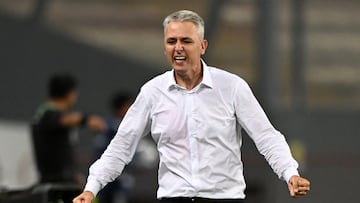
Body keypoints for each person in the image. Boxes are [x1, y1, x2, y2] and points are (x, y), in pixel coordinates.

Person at [73, 10, 310, 203]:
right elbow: (121, 146)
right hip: (174, 197)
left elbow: (266, 137)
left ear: (203, 46)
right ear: (164, 47)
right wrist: (91, 188)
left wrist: (290, 172)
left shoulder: (231, 87)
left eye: (186, 41)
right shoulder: (152, 92)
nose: (178, 48)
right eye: (171, 41)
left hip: (224, 198)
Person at [31, 73, 106, 187]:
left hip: (66, 180)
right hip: (56, 183)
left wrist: (74, 174)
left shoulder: (47, 114)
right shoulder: (47, 113)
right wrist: (86, 120)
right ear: (71, 94)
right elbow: (64, 120)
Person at [94, 91, 134, 203]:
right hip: (111, 178)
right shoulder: (111, 128)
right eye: (129, 106)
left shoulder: (118, 126)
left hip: (118, 179)